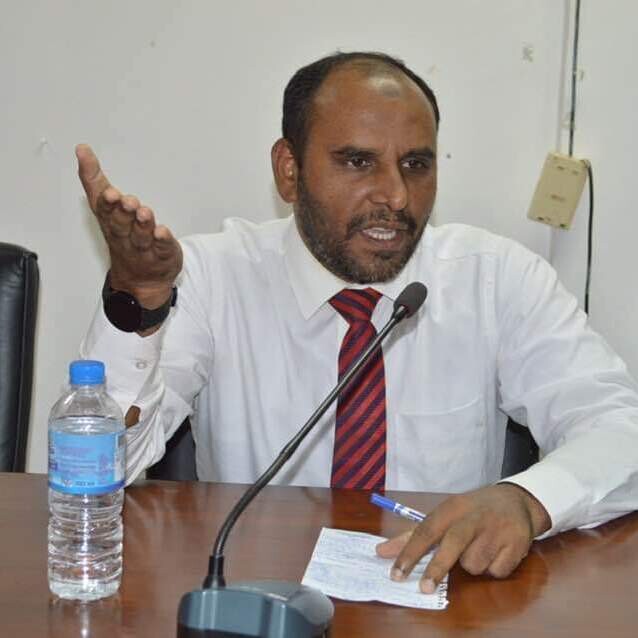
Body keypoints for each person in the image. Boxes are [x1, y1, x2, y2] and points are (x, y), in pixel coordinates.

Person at [76, 51, 638, 594]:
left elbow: (620, 431)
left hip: (439, 600)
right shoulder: (210, 278)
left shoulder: (498, 279)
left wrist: (527, 501)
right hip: (255, 594)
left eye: (416, 164)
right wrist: (139, 301)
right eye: (357, 162)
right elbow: (97, 468)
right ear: (289, 170)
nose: (395, 195)